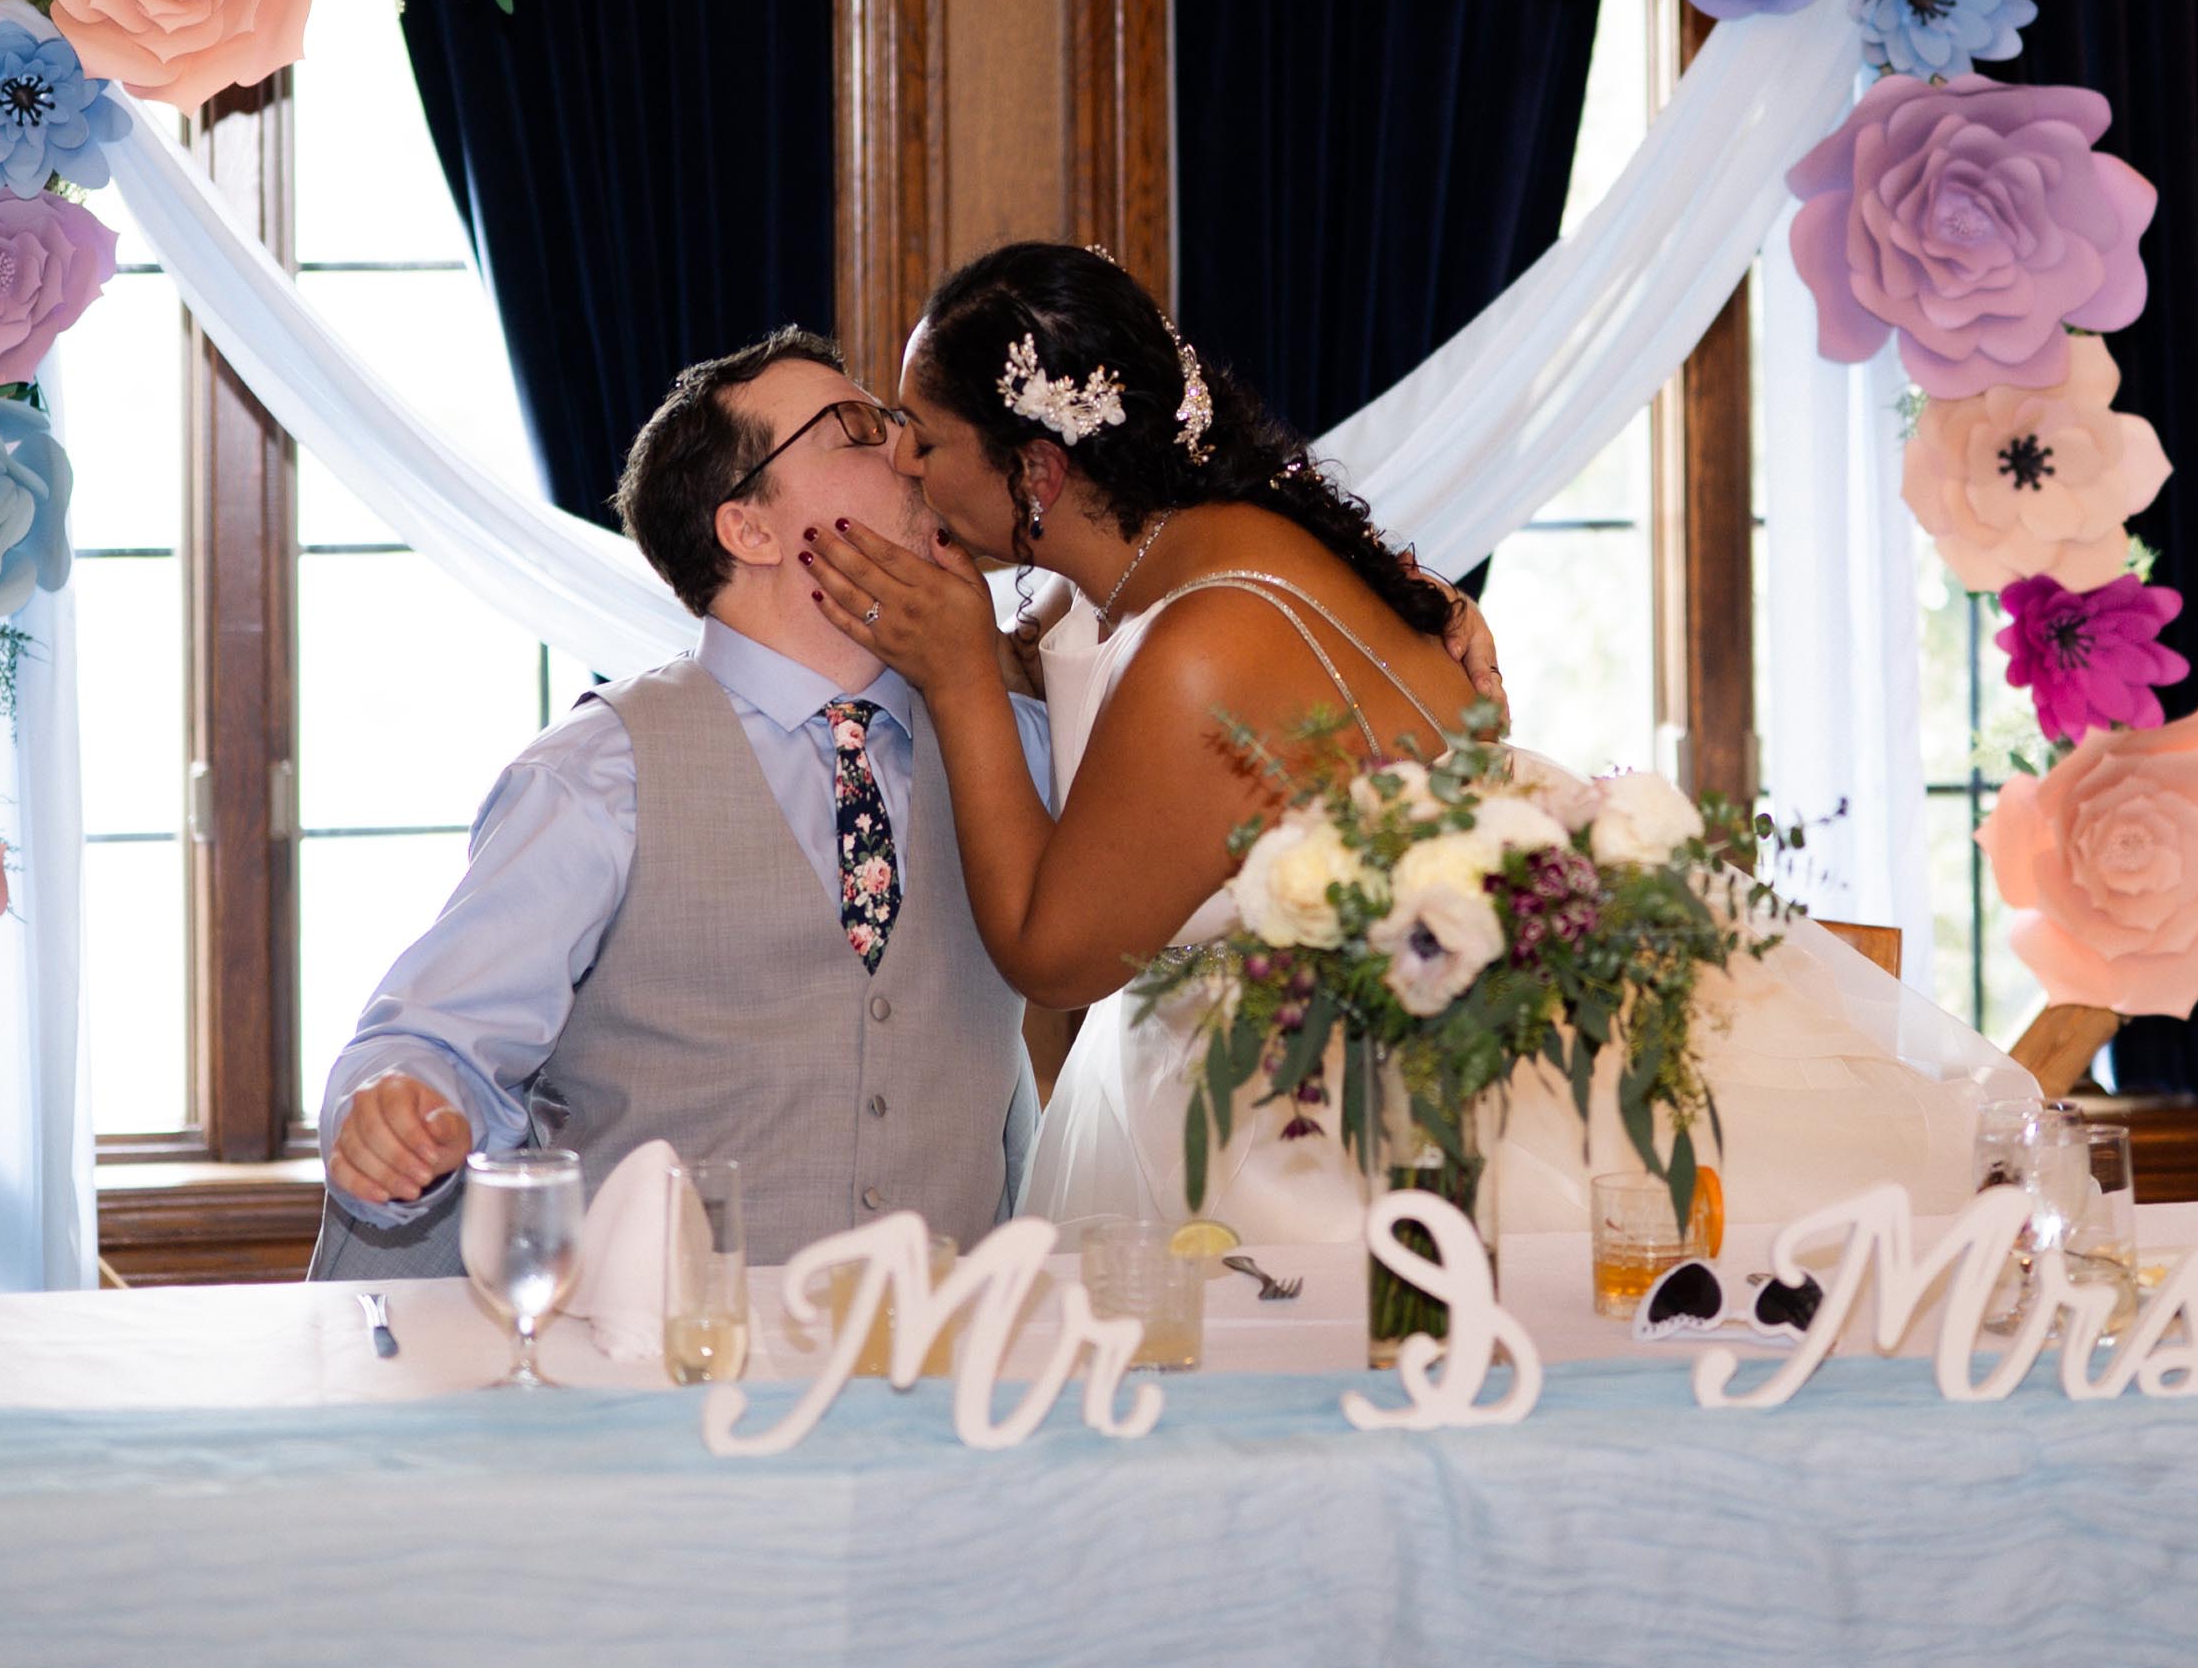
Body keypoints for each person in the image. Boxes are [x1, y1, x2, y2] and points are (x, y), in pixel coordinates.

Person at [812, 242, 2022, 1247]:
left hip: (1375, 1151)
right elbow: (1082, 664)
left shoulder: (1203, 644)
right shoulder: (1187, 554)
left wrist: (962, 674)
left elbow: (1055, 955)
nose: (904, 468)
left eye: (922, 437)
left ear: (1037, 466)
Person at [311, 331, 1050, 1277]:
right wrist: (397, 1101)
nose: (906, 449)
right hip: (661, 1380)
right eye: (858, 428)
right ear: (749, 529)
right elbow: (432, 1038)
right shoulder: (597, 775)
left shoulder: (1014, 749)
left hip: (950, 1374)